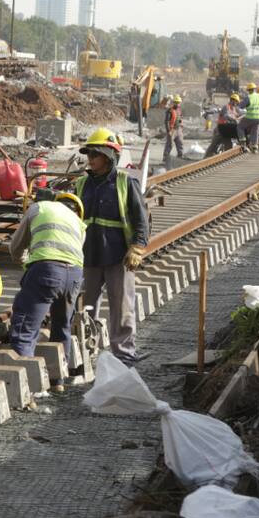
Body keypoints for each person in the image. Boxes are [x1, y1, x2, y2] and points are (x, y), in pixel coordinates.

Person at [74, 128, 151, 365]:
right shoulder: (81, 184)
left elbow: (140, 218)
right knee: (86, 307)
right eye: (89, 154)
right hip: (89, 255)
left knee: (122, 306)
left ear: (108, 156)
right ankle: (89, 351)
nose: (91, 159)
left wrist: (137, 247)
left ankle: (124, 354)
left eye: (95, 154)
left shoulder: (125, 182)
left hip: (119, 256)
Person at [8, 190, 85, 366]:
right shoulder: (76, 219)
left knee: (25, 329)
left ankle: (29, 384)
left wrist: (25, 262)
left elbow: (15, 248)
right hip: (74, 275)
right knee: (62, 326)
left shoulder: (37, 209)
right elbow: (77, 250)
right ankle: (59, 381)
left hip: (47, 272)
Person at [239, 82, 259, 151]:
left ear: (249, 90)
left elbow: (241, 106)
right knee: (255, 131)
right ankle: (254, 146)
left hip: (250, 117)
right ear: (255, 89)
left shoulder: (248, 97)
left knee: (240, 127)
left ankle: (243, 142)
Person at [163, 95, 184, 164]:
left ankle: (180, 156)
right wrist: (168, 131)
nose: (177, 104)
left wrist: (181, 126)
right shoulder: (170, 111)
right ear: (173, 102)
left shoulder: (179, 110)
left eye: (178, 102)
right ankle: (165, 158)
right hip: (172, 130)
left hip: (178, 129)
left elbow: (180, 118)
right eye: (176, 102)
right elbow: (166, 121)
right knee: (169, 145)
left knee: (180, 143)